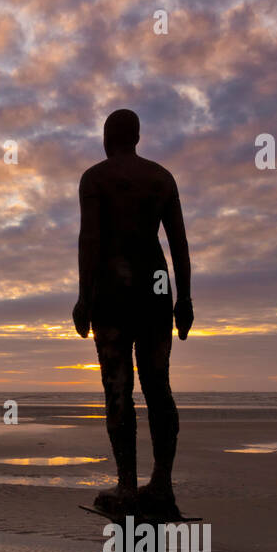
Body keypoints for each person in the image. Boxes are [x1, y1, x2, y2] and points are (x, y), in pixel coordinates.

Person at [72, 109, 193, 518]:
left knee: (118, 390)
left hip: (111, 292)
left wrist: (83, 299)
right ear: (137, 137)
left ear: (109, 137)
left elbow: (89, 239)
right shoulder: (161, 178)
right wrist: (185, 300)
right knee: (158, 387)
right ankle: (161, 484)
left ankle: (127, 484)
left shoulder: (95, 178)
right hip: (157, 289)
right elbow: (178, 244)